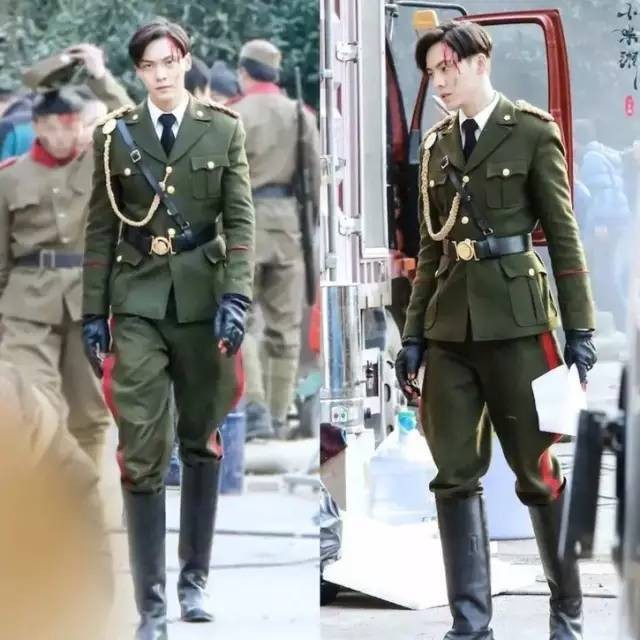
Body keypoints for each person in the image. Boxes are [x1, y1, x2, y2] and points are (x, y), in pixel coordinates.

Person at [394, 21, 597, 640]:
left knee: (536, 470)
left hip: (519, 325)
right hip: (450, 330)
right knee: (453, 474)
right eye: (432, 72)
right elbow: (432, 249)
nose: (439, 82)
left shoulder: (531, 130)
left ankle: (567, 614)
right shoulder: (436, 146)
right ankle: (471, 625)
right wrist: (413, 335)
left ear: (480, 62)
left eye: (447, 68)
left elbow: (563, 235)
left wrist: (581, 329)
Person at [81, 19, 254, 639]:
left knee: (201, 438)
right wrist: (92, 312)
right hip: (137, 301)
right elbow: (100, 228)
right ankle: (151, 603)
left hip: (204, 301)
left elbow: (240, 220)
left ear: (185, 61)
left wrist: (236, 297)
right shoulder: (115, 136)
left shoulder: (223, 128)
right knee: (141, 447)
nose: (159, 73)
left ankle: (193, 581)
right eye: (148, 65)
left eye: (168, 61)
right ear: (138, 72)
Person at [0, 49, 130, 470]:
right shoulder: (10, 178)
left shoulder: (99, 164)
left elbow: (136, 126)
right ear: (37, 127)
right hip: (26, 307)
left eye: (70, 125)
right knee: (33, 401)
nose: (61, 136)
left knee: (89, 412)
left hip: (87, 301)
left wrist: (99, 75)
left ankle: (83, 493)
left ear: (81, 125)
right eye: (52, 127)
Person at [233, 39, 320, 439]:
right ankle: (280, 414)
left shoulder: (232, 115)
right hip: (288, 225)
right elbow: (313, 179)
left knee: (242, 319)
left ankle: (255, 409)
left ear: (244, 72)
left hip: (242, 223)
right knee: (285, 330)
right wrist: (308, 227)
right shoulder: (300, 115)